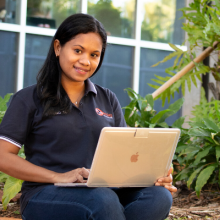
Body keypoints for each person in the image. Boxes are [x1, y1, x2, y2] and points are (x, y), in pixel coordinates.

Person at [0, 13, 177, 220]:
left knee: (158, 197)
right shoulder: (29, 98)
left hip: (103, 191)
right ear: (58, 47)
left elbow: (127, 155)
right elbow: (3, 156)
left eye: (94, 55)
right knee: (102, 201)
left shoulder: (107, 98)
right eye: (78, 51)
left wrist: (155, 174)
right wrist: (59, 177)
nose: (85, 61)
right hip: (46, 192)